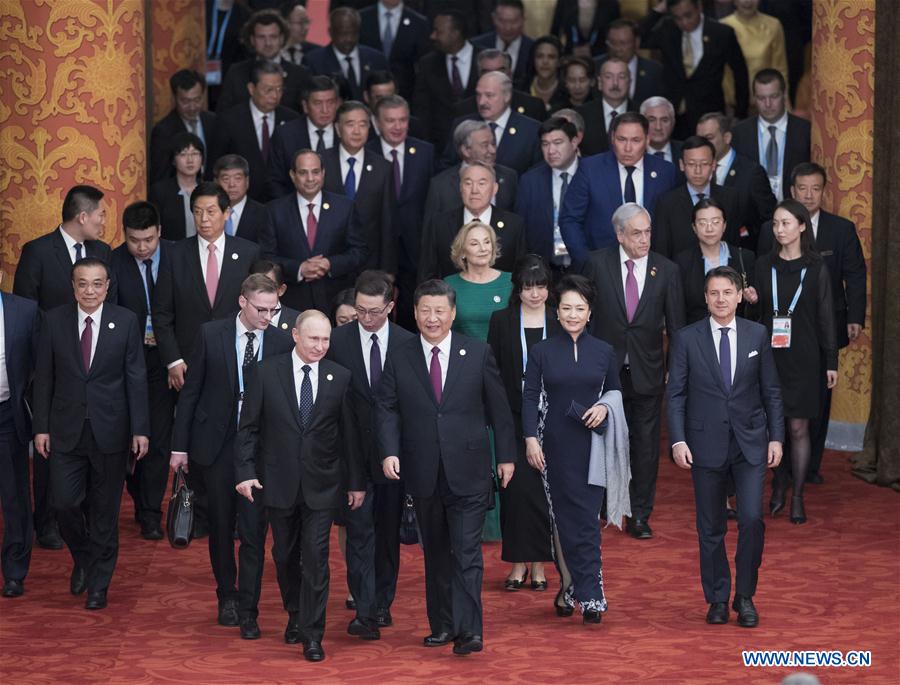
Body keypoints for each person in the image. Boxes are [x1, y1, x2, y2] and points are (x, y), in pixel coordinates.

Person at [377, 279, 516, 655]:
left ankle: (470, 631)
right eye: (426, 311)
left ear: (453, 314)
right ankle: (442, 625)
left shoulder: (478, 352)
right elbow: (387, 406)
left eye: (440, 311)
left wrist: (505, 456)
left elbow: (500, 410)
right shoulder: (401, 354)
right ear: (415, 313)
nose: (433, 318)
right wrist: (390, 450)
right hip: (423, 471)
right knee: (436, 553)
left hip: (469, 469)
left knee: (467, 552)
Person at [236, 310, 365, 662]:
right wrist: (245, 471)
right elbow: (248, 429)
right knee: (284, 555)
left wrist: (355, 483)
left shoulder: (341, 377)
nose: (320, 346)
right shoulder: (264, 373)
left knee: (316, 557)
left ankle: (312, 633)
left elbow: (350, 438)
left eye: (326, 340)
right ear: (295, 335)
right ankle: (294, 612)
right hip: (277, 483)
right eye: (313, 339)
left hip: (323, 485)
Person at [170, 274, 294, 639]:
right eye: (260, 309)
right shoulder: (211, 334)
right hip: (217, 442)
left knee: (254, 528)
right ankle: (226, 594)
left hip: (259, 447)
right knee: (222, 525)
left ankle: (247, 603)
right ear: (242, 302)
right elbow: (190, 393)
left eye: (273, 310)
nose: (267, 316)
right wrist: (180, 447)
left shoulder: (283, 341)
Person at [667, 265, 784, 628]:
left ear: (738, 295)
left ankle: (745, 596)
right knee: (710, 527)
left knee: (751, 519)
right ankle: (717, 597)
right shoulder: (687, 338)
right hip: (704, 444)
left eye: (727, 292)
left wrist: (776, 437)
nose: (720, 299)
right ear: (705, 298)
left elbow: (771, 391)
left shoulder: (757, 334)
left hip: (750, 442)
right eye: (714, 293)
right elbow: (675, 394)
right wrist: (678, 439)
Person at [32, 258, 149, 610]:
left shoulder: (126, 322)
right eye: (83, 284)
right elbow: (44, 378)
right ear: (73, 286)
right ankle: (83, 556)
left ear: (107, 286)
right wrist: (41, 426)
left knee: (104, 510)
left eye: (97, 284)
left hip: (111, 430)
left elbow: (136, 377)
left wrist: (140, 429)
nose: (90, 291)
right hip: (65, 429)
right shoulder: (53, 320)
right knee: (63, 503)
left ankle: (99, 582)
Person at [13, 184, 117, 551]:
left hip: (97, 368)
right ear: (83, 216)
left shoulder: (103, 253)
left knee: (91, 449)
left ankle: (84, 519)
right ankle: (46, 523)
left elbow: (113, 312)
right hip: (51, 368)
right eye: (101, 214)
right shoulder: (38, 252)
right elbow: (24, 314)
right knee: (50, 450)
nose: (105, 221)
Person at [581, 203, 685, 538]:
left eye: (648, 231)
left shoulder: (666, 270)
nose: (644, 239)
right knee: (604, 439)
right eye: (637, 233)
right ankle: (606, 502)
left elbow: (678, 327)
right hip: (605, 370)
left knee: (644, 445)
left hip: (648, 371)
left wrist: (676, 370)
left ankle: (639, 513)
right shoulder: (597, 263)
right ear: (620, 235)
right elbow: (582, 316)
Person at [757, 163, 867, 484]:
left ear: (824, 191)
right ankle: (782, 467)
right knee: (777, 402)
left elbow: (855, 276)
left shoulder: (841, 229)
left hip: (821, 329)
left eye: (815, 189)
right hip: (777, 331)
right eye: (802, 188)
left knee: (816, 402)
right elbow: (765, 275)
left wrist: (855, 317)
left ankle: (810, 467)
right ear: (792, 191)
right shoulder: (771, 230)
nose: (808, 194)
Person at [522, 273, 622, 622]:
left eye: (580, 308)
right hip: (554, 445)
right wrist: (530, 438)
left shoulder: (605, 351)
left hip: (593, 445)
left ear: (590, 312)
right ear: (557, 312)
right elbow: (530, 396)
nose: (573, 315)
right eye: (567, 308)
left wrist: (605, 407)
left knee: (588, 520)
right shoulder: (542, 351)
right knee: (564, 520)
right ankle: (575, 586)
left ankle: (591, 593)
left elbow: (616, 393)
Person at [326, 271, 416, 634]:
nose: (366, 318)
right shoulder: (338, 341)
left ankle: (382, 602)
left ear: (390, 307)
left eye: (374, 312)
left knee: (387, 533)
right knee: (359, 532)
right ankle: (363, 609)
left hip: (394, 456)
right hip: (352, 454)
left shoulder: (408, 343)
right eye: (360, 310)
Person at [754, 199, 837, 524]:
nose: (779, 229)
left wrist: (831, 361)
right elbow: (757, 315)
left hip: (804, 356)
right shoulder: (764, 265)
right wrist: (752, 300)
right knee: (772, 427)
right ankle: (778, 484)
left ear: (802, 226)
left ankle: (797, 496)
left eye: (786, 223)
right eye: (775, 224)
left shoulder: (816, 267)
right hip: (768, 355)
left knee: (798, 427)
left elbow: (826, 317)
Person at [487, 256, 557, 592]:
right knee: (515, 492)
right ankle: (517, 564)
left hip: (552, 418)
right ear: (519, 289)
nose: (535, 294)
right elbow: (493, 370)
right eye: (529, 287)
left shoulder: (559, 320)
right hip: (513, 418)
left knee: (544, 495)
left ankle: (540, 567)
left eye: (540, 286)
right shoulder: (502, 321)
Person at [152, 182, 261, 393]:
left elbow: (256, 308)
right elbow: (161, 313)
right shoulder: (175, 254)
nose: (203, 219)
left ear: (226, 213)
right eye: (197, 212)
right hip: (187, 361)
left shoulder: (249, 253)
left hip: (235, 356)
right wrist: (173, 360)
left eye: (211, 212)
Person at [108, 202, 175, 540]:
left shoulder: (177, 257)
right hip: (125, 363)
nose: (142, 247)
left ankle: (151, 511)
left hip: (164, 360)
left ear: (159, 232)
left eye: (148, 239)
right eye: (134, 240)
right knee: (129, 436)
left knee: (159, 439)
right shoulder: (113, 261)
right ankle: (136, 494)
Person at [559, 112, 678, 268]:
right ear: (612, 138)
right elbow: (570, 219)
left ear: (647, 140)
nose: (628, 148)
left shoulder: (665, 172)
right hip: (601, 266)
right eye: (622, 139)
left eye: (636, 140)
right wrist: (587, 262)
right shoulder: (590, 169)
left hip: (652, 267)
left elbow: (673, 223)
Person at [260, 149, 368, 312]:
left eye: (315, 172)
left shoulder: (345, 207)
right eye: (303, 173)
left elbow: (360, 251)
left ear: (323, 173)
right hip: (291, 303)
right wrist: (299, 268)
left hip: (335, 303)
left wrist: (330, 264)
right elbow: (266, 257)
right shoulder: (275, 210)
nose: (310, 179)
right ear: (292, 175)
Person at [367, 94, 435, 329]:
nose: (397, 127)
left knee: (410, 307)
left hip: (415, 245)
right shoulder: (368, 152)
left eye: (403, 120)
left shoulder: (425, 152)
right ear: (377, 123)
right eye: (390, 120)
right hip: (376, 244)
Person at [638, 0, 749, 138]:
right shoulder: (668, 29)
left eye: (688, 15)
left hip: (708, 114)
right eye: (678, 18)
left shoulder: (721, 33)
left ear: (699, 7)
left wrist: (740, 113)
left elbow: (740, 73)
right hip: (673, 116)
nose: (684, 22)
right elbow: (637, 38)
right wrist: (658, 10)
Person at [321, 101, 396, 273]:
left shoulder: (382, 167)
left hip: (369, 264)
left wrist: (388, 272)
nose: (357, 131)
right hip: (328, 261)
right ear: (338, 129)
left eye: (363, 125)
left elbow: (388, 223)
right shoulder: (321, 162)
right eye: (350, 124)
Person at [420, 163, 526, 282]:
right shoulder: (440, 224)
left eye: (481, 183)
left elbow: (521, 274)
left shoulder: (514, 225)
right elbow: (427, 273)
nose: (474, 190)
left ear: (495, 188)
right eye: (468, 183)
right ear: (460, 187)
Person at [212, 60, 300, 202]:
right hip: (241, 203)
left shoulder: (292, 119)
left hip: (283, 203)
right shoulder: (229, 120)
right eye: (268, 90)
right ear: (252, 88)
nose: (275, 96)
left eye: (279, 89)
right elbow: (215, 165)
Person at [0, 286, 40, 597]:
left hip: (6, 414)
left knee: (13, 495)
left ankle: (15, 571)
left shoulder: (24, 310)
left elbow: (40, 368)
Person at [653, 136, 743, 258]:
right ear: (681, 165)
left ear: (714, 165)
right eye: (691, 164)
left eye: (704, 164)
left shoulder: (730, 198)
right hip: (680, 274)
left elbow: (734, 243)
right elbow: (662, 250)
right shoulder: (667, 203)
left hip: (722, 272)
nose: (698, 170)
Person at [696, 111, 776, 252]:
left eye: (709, 138)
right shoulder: (695, 171)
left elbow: (768, 221)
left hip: (741, 256)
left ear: (727, 137)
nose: (703, 145)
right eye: (700, 139)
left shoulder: (751, 173)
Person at [729, 68, 810, 201]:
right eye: (761, 98)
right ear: (754, 98)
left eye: (773, 97)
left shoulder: (805, 131)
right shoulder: (740, 133)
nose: (767, 104)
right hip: (753, 216)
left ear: (784, 95)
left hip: (796, 211)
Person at [442, 72, 542, 176]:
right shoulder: (462, 125)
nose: (481, 102)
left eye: (489, 95)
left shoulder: (531, 130)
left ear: (507, 96)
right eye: (478, 95)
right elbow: (447, 167)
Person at [675, 198, 757, 323]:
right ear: (694, 227)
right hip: (696, 335)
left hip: (737, 334)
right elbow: (678, 309)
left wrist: (752, 299)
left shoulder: (745, 257)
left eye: (715, 222)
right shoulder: (682, 262)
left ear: (724, 225)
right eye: (702, 223)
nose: (709, 229)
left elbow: (755, 308)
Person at [515, 116, 580, 274]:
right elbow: (521, 232)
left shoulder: (593, 174)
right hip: (545, 272)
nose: (551, 151)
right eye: (545, 144)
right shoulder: (530, 181)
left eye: (558, 143)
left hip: (587, 269)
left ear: (574, 142)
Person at [216, 8, 312, 113]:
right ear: (252, 40)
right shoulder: (236, 72)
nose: (268, 43)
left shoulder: (300, 74)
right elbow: (223, 114)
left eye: (273, 37)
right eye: (261, 37)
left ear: (282, 38)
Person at [424, 120, 519, 225]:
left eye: (493, 143)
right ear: (466, 151)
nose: (492, 150)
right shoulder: (441, 186)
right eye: (485, 145)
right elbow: (431, 233)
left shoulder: (509, 177)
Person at [412, 10, 481, 152]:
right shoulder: (428, 63)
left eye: (438, 32)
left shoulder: (484, 59)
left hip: (480, 144)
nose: (433, 36)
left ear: (455, 33)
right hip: (441, 149)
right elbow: (422, 109)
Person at [267, 75, 340, 198]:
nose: (325, 110)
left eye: (330, 102)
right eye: (318, 103)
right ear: (305, 106)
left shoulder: (346, 131)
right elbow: (274, 181)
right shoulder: (285, 134)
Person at [149, 69, 218, 184]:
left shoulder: (214, 121)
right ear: (174, 99)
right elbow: (161, 177)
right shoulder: (163, 131)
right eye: (185, 101)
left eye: (197, 100)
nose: (192, 107)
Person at [721, 0, 788, 112]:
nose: (747, 2)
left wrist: (784, 102)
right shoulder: (722, 27)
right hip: (731, 106)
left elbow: (781, 69)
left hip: (767, 103)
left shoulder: (773, 25)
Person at [358, 0, 431, 100]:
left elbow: (423, 63)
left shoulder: (419, 22)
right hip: (366, 91)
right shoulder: (361, 18)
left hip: (406, 95)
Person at [452, 49, 547, 124]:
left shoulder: (533, 107)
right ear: (479, 75)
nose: (493, 77)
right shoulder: (463, 110)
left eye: (499, 71)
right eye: (487, 72)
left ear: (510, 74)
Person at [595, 18, 664, 106]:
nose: (617, 49)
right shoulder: (595, 67)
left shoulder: (654, 70)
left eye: (623, 43)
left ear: (637, 42)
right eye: (612, 43)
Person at [148, 132, 204, 241]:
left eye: (195, 153)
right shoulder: (160, 192)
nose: (190, 160)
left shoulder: (208, 190)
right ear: (173, 160)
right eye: (183, 154)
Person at [576, 57, 634, 156]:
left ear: (629, 82)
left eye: (621, 77)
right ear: (599, 82)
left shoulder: (641, 113)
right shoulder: (582, 114)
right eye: (608, 77)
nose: (615, 83)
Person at [472, 0, 535, 92]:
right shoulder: (477, 45)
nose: (508, 27)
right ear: (493, 18)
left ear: (523, 20)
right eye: (502, 21)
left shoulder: (533, 48)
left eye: (514, 21)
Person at [213, 154, 268, 243]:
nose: (232, 185)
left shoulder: (264, 214)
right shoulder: (208, 212)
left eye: (237, 178)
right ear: (216, 182)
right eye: (226, 179)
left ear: (247, 181)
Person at [551, 0, 621, 57]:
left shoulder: (611, 4)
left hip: (601, 58)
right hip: (570, 58)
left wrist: (593, 51)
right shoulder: (564, 2)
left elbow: (617, 37)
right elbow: (554, 34)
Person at [247, 259, 302, 331]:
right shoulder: (234, 320)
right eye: (255, 286)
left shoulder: (299, 322)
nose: (261, 292)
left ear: (281, 290)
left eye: (269, 287)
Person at [640, 96, 682, 164]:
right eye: (652, 120)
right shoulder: (632, 153)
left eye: (664, 120)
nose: (658, 127)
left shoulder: (685, 151)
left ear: (673, 123)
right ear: (641, 123)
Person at [279, 1, 321, 66]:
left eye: (307, 22)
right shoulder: (273, 51)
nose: (306, 27)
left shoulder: (316, 52)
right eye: (301, 22)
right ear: (285, 23)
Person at [528, 36, 563, 110]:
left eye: (551, 57)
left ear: (559, 61)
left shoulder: (567, 92)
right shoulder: (521, 88)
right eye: (540, 56)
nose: (545, 62)